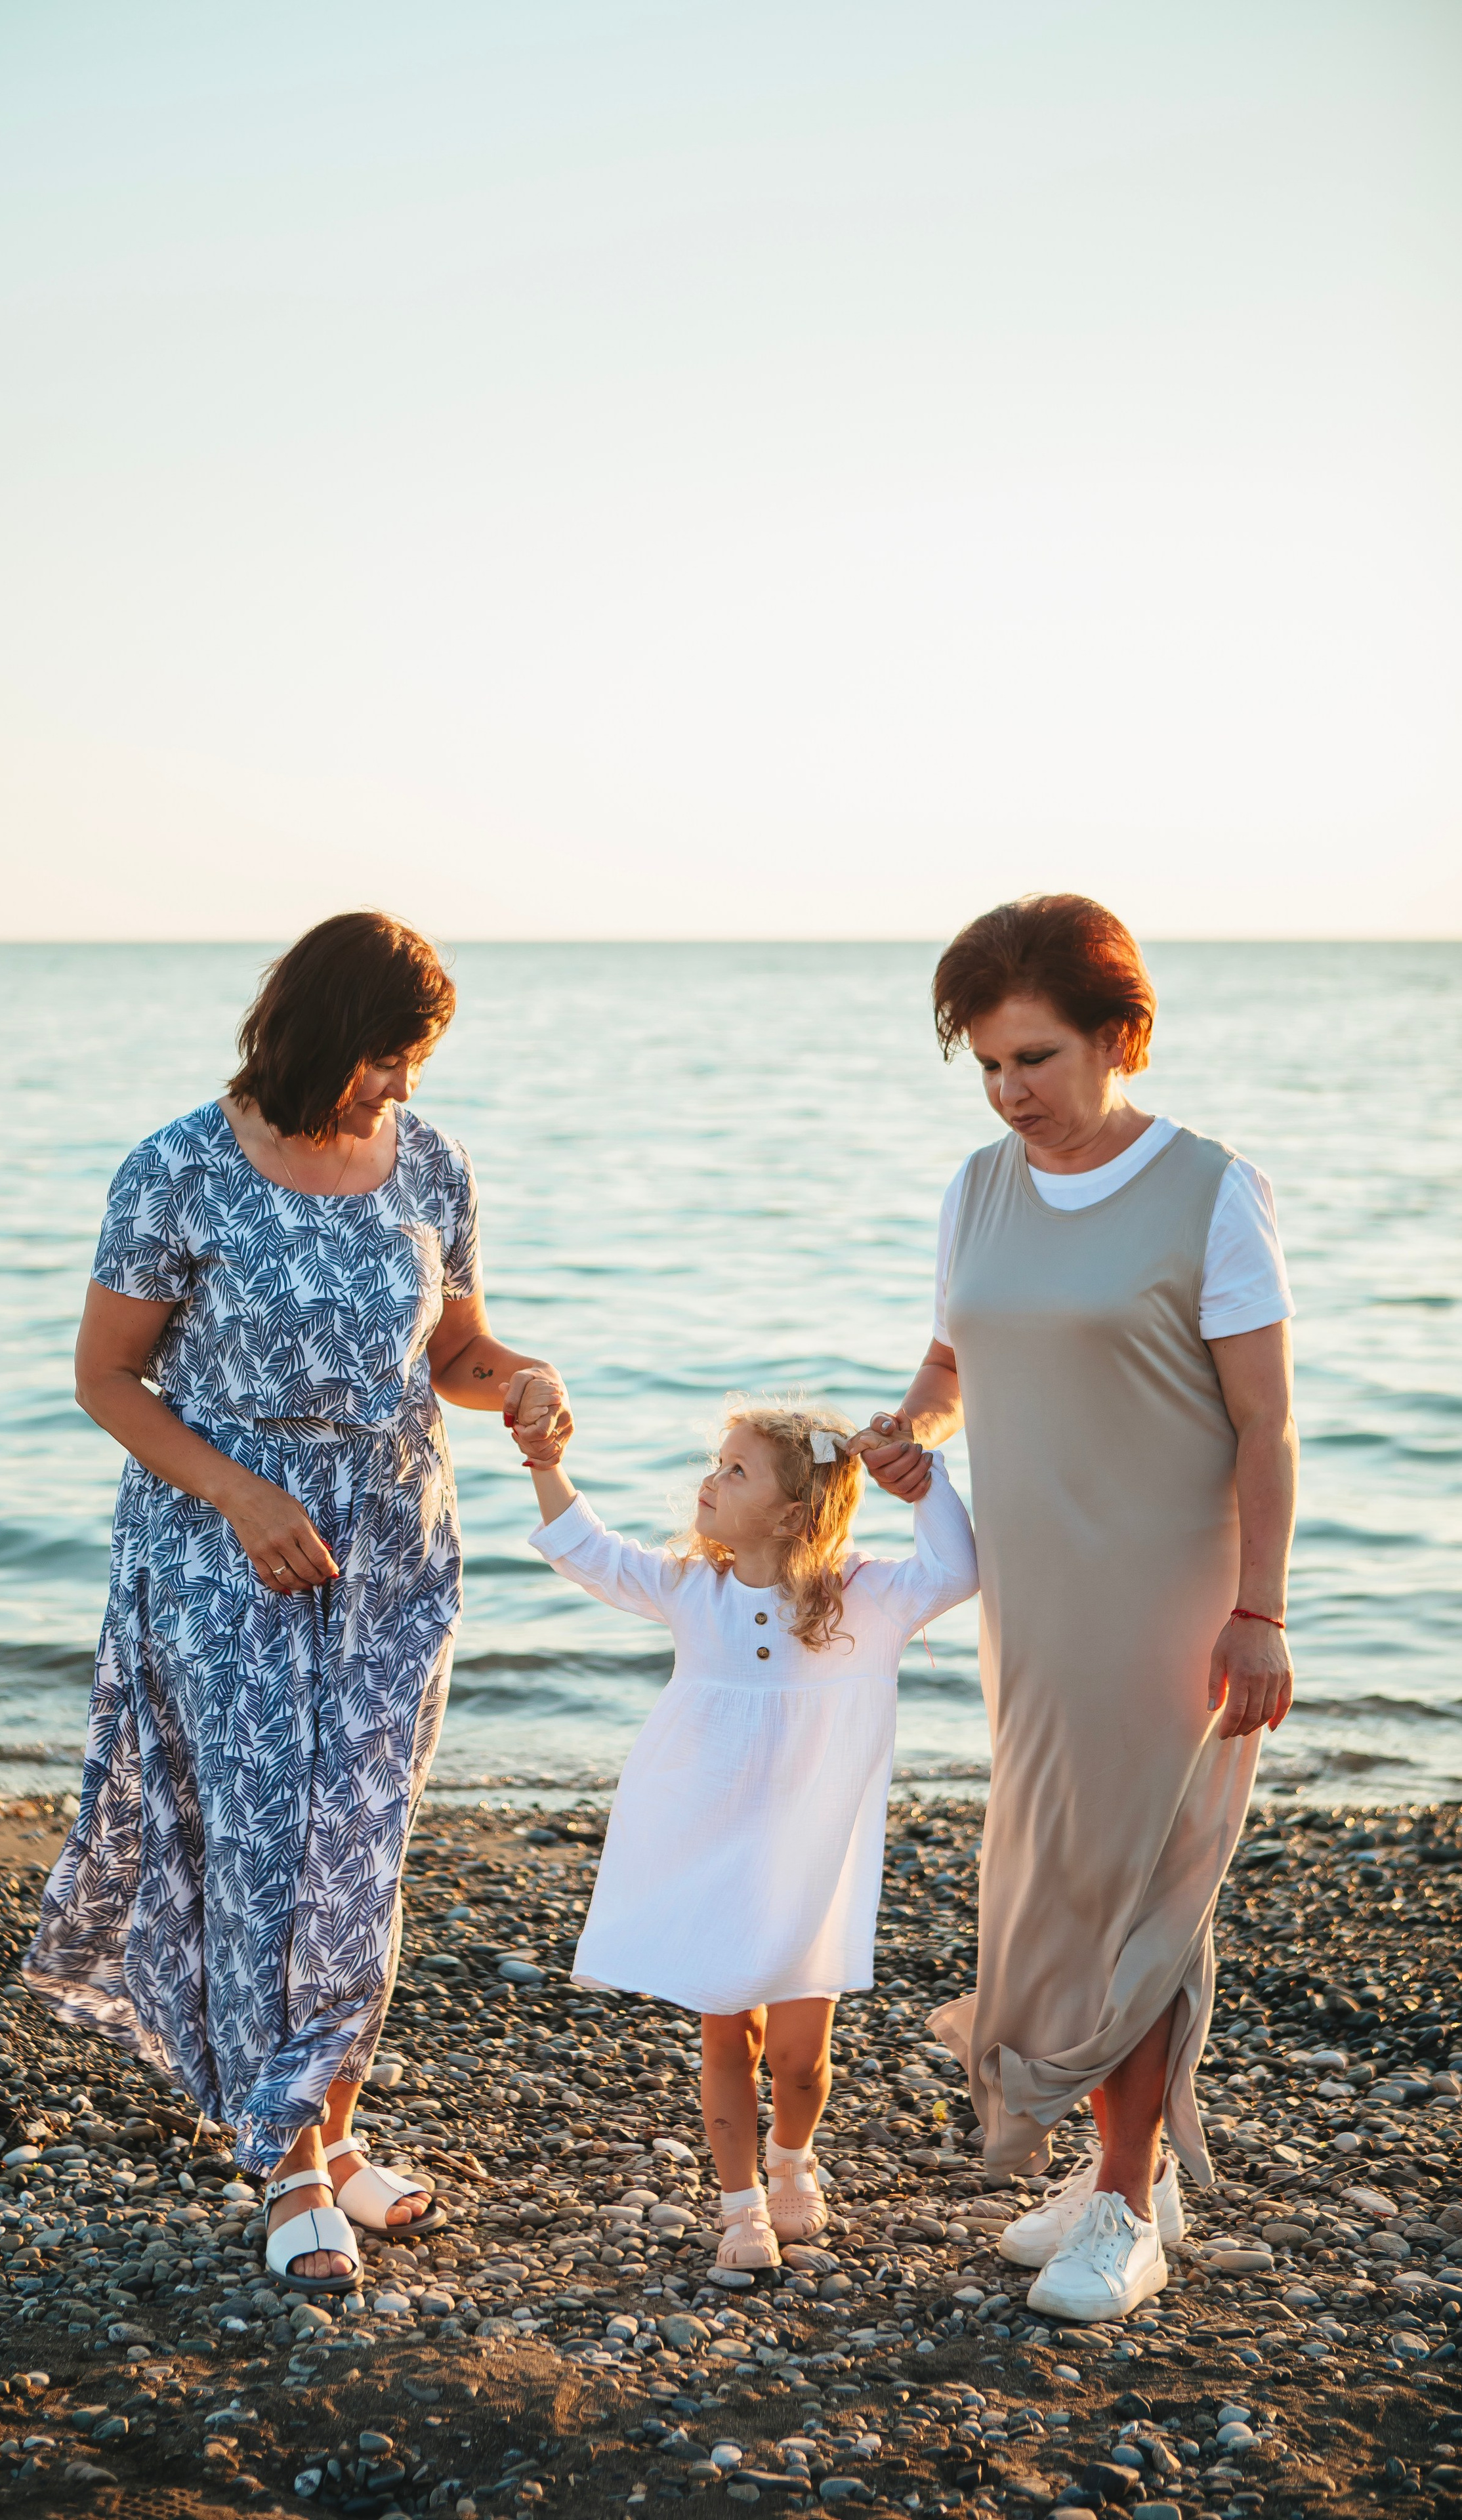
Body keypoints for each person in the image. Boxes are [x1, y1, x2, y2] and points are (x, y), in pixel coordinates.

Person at [23, 911, 572, 2296]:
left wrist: (515, 1378)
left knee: (359, 1851)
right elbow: (105, 1381)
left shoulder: (430, 1162)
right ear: (318, 1033)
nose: (399, 1088)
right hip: (226, 1558)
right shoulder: (179, 1169)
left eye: (414, 1063)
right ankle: (288, 2167)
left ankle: (324, 2124)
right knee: (267, 1857)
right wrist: (244, 1498)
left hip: (395, 1550)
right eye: (383, 1058)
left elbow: (449, 1343)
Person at [862, 893, 1297, 2322]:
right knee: (1066, 1874)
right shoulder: (977, 1190)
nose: (1008, 1093)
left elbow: (1264, 1429)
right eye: (986, 1064)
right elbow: (952, 1358)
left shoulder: (1206, 1190)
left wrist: (1260, 1611)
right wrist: (912, 1426)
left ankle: (1120, 2207)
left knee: (1129, 1888)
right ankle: (1131, 2171)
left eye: (1034, 1059)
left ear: (1122, 1037)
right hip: (1034, 1600)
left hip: (1166, 1596)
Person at [508, 1383, 977, 2269]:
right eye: (717, 1464)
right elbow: (593, 1557)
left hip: (812, 1860)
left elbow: (957, 1570)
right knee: (729, 2031)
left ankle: (793, 2157)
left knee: (800, 2056)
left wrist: (927, 1486)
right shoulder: (696, 1590)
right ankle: (739, 2203)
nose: (709, 1482)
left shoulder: (863, 1600)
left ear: (795, 1512)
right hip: (706, 1844)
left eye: (736, 1471)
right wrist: (546, 1464)